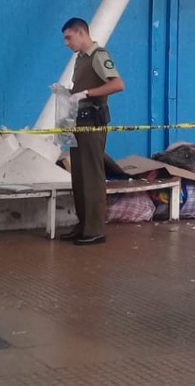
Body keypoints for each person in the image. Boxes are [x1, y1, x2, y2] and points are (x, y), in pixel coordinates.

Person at [59, 18, 124, 245]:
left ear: (81, 32)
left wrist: (87, 93)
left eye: (69, 37)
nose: (67, 43)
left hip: (92, 122)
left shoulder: (98, 55)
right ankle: (83, 225)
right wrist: (69, 93)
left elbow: (117, 84)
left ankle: (95, 229)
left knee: (92, 176)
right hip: (79, 122)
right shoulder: (81, 59)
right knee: (79, 175)